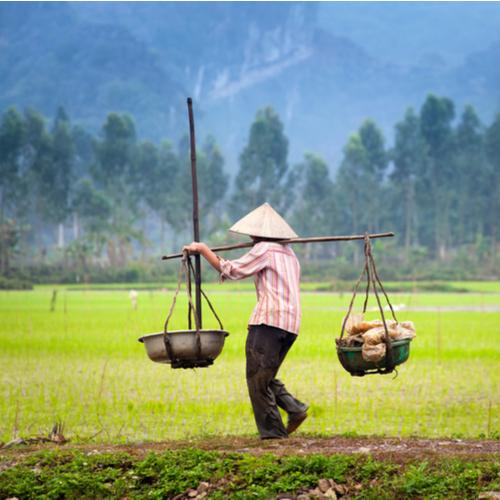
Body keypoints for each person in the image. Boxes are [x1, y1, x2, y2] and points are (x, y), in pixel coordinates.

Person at [183, 202, 308, 439]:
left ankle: (273, 435)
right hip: (290, 325)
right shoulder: (290, 254)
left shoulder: (265, 250)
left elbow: (231, 270)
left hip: (269, 323)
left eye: (253, 233)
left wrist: (202, 249)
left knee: (256, 379)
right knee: (265, 375)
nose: (251, 236)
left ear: (260, 233)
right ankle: (294, 408)